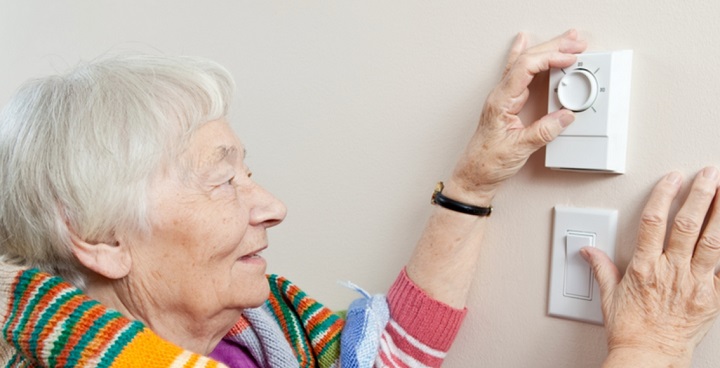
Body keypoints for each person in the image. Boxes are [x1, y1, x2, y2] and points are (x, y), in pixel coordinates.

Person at [0, 28, 717, 368]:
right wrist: (649, 345)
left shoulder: (241, 343)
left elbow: (378, 360)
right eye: (223, 180)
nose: (271, 205)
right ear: (99, 239)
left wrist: (472, 184)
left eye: (249, 172)